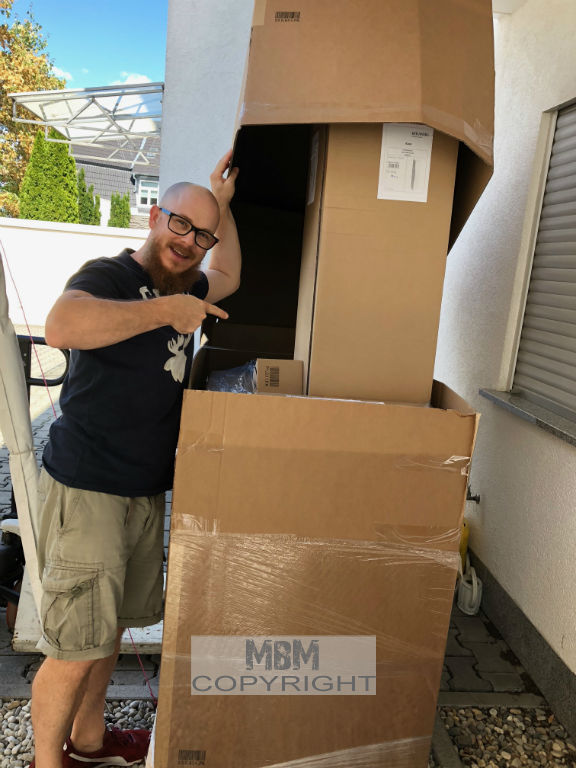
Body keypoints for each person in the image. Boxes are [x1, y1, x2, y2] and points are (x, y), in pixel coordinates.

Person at [29, 151, 241, 768]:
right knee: (74, 646)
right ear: (153, 217)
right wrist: (164, 313)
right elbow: (61, 326)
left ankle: (89, 743)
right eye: (181, 224)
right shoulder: (111, 276)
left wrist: (222, 206)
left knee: (110, 630)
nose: (189, 242)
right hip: (89, 488)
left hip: (144, 492)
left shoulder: (189, 281)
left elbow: (228, 273)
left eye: (201, 236)